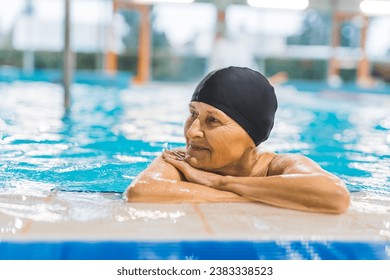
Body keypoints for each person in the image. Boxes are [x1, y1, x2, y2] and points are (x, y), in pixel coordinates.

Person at [124, 66, 350, 214]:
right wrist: (246, 197)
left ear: (252, 136)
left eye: (212, 120)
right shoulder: (182, 159)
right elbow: (140, 192)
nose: (192, 132)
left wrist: (219, 182)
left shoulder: (279, 167)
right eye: (193, 113)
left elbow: (335, 195)